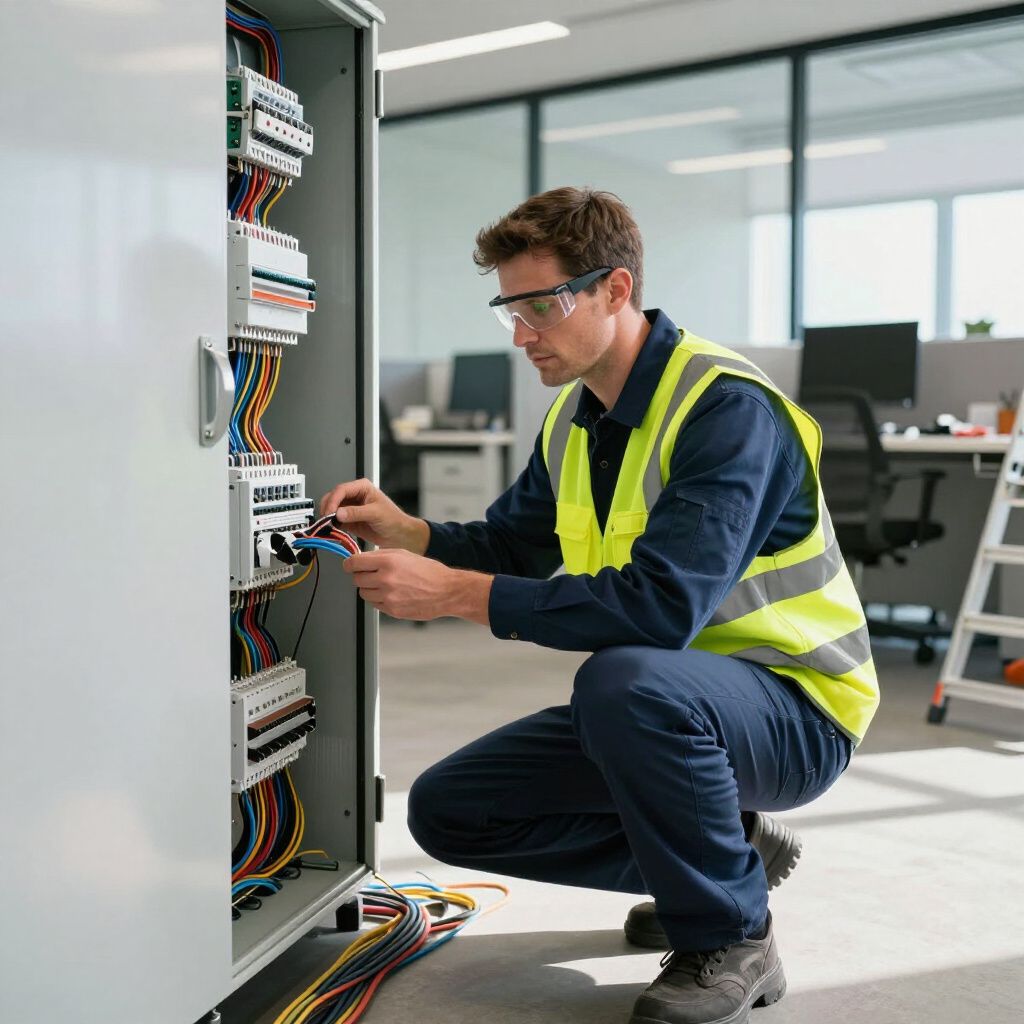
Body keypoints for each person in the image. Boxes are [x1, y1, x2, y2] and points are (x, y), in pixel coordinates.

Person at [320, 187, 878, 1024]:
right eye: (509, 307)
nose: (520, 333)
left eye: (543, 305)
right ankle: (734, 858)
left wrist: (461, 598)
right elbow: (512, 542)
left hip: (798, 706)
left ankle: (730, 935)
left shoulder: (726, 411)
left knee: (623, 682)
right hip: (683, 705)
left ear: (616, 290)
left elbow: (658, 612)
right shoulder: (576, 420)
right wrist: (415, 533)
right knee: (452, 809)